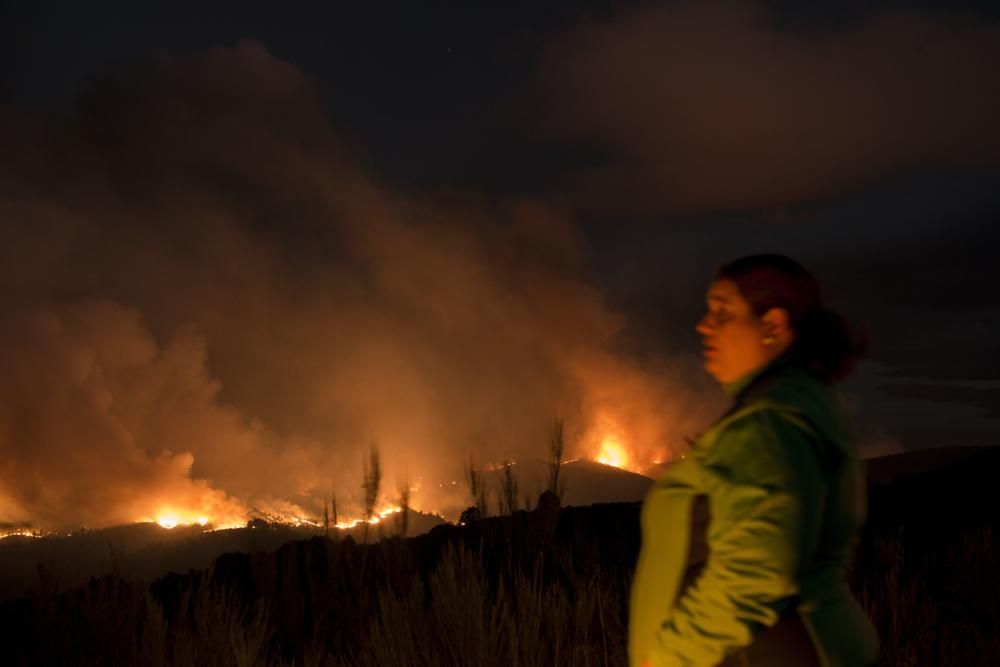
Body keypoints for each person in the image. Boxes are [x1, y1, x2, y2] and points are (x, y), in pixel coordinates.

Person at [629, 254, 879, 667]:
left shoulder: (768, 421)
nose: (703, 325)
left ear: (773, 326)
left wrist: (669, 656)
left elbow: (756, 571)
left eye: (722, 313)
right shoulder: (797, 403)